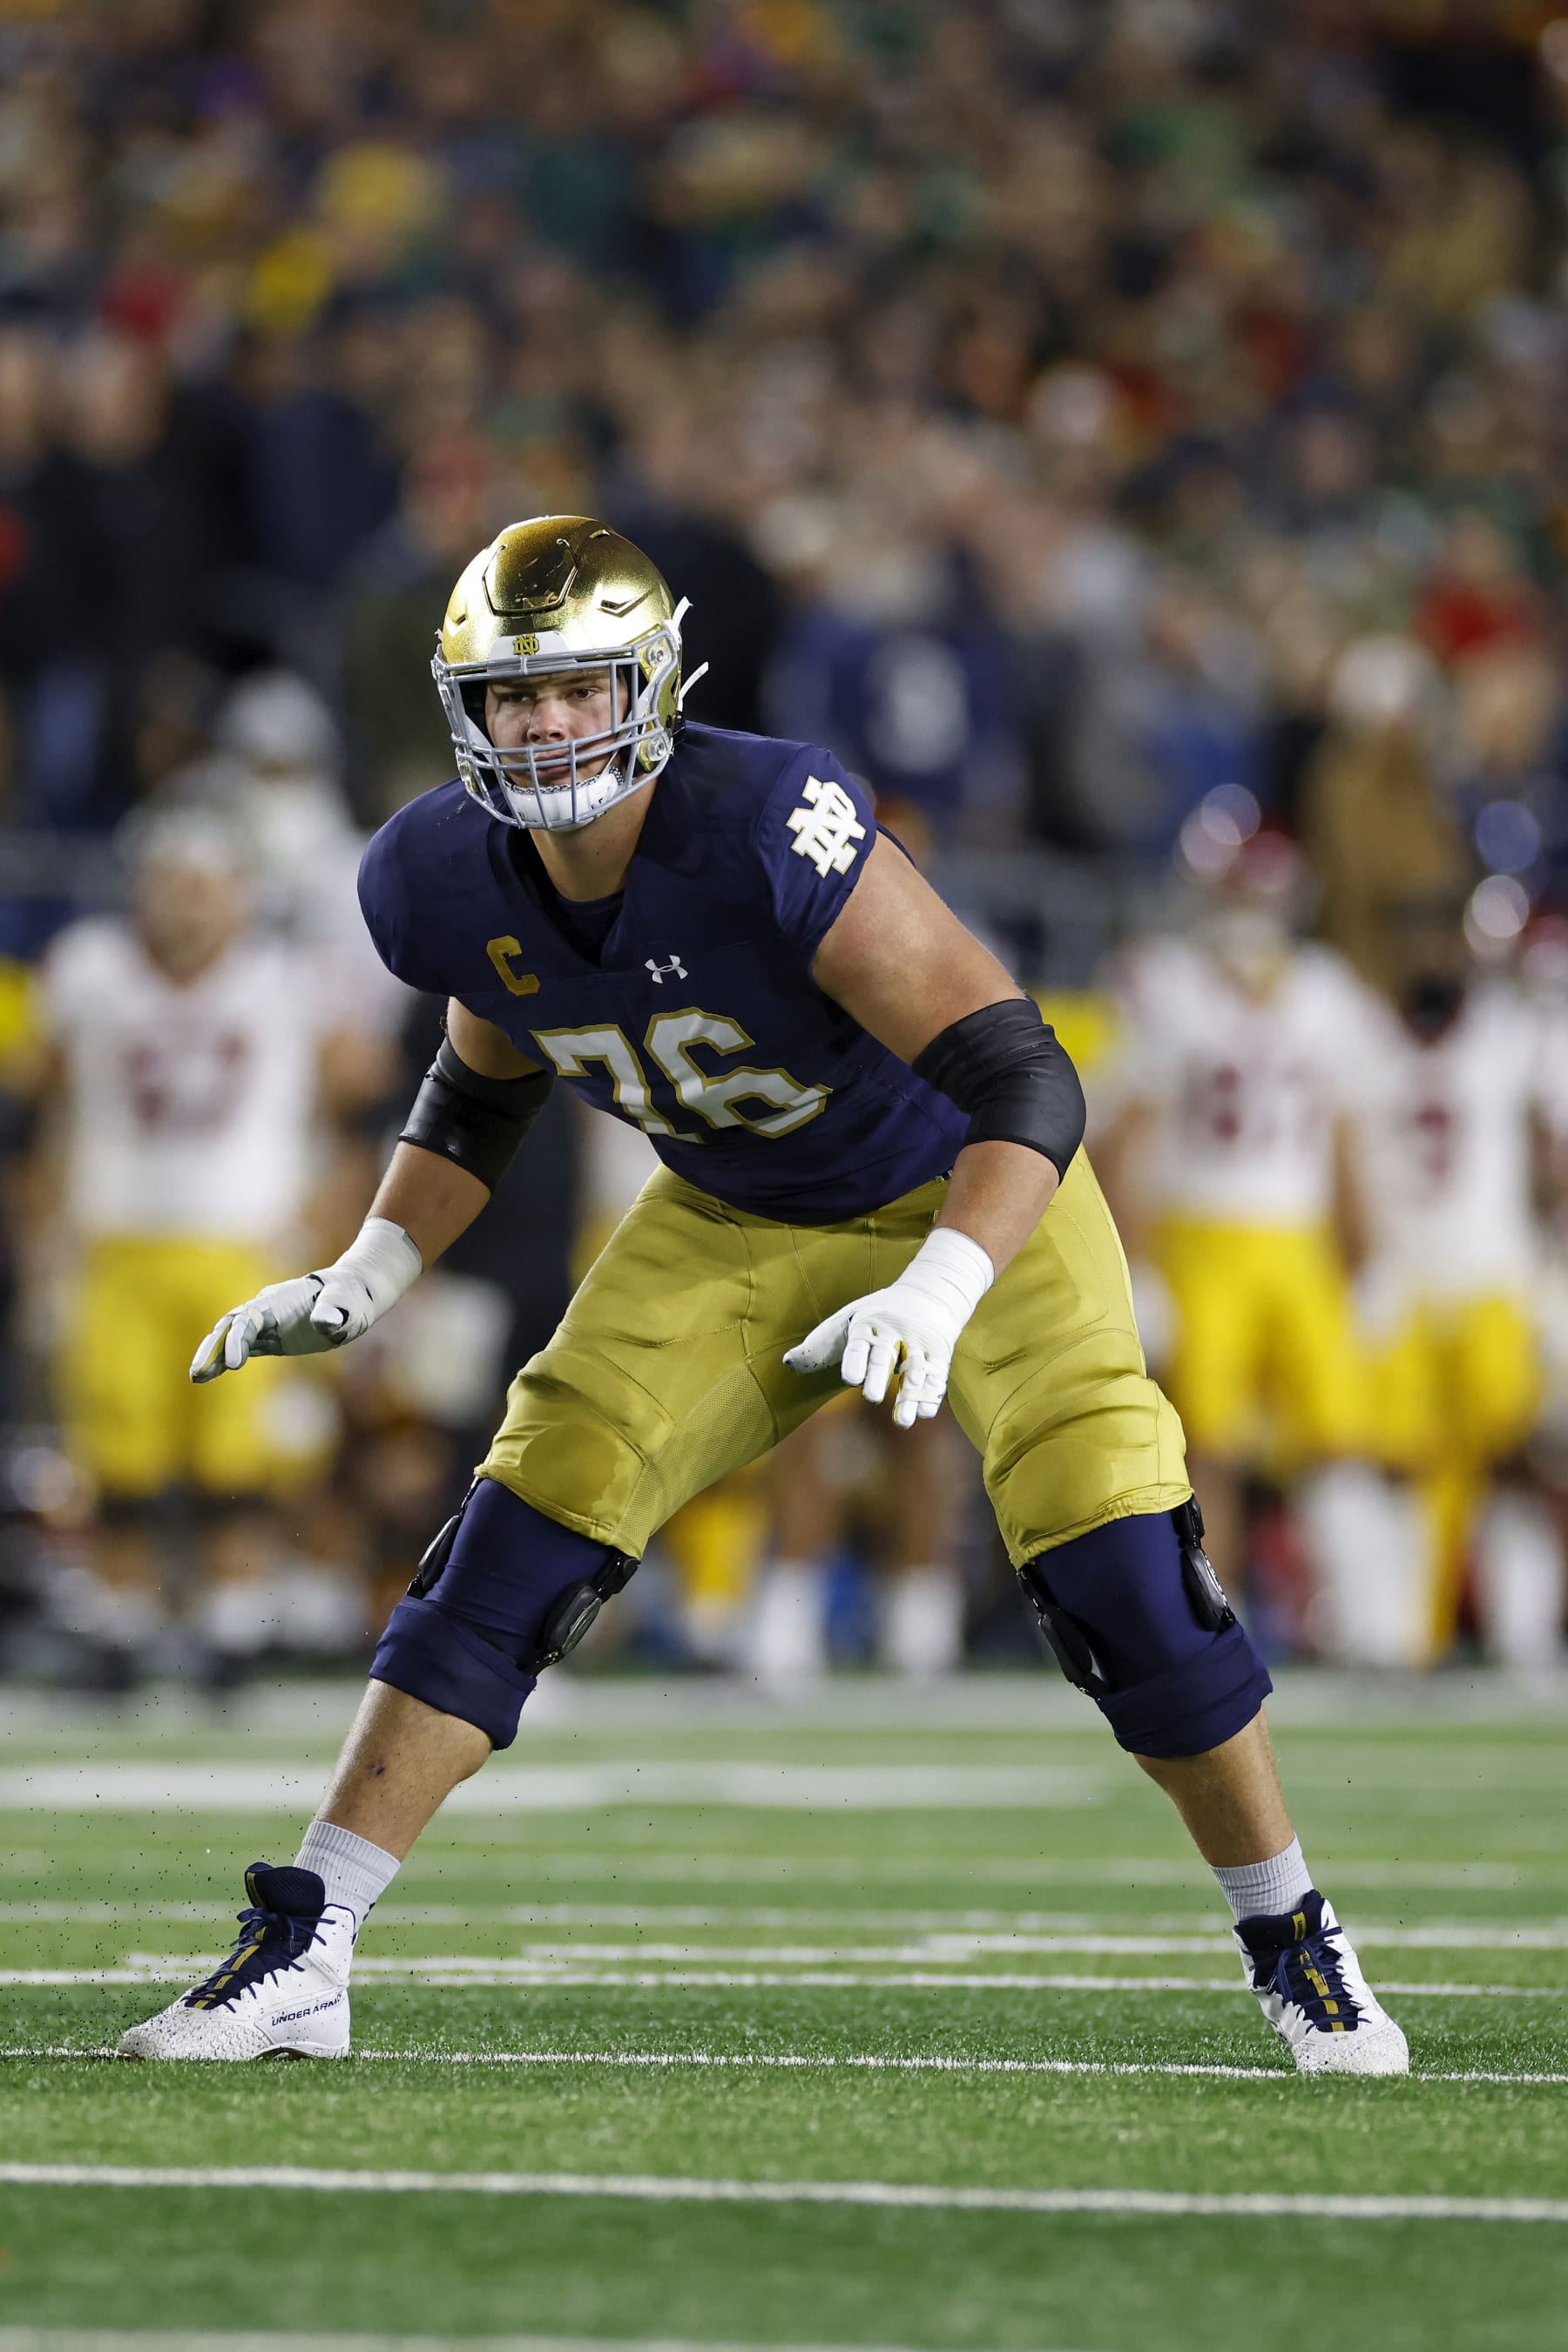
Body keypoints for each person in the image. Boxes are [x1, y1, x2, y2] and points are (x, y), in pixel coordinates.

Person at [118, 515, 1407, 2074]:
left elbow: (1023, 1075)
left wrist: (943, 1284)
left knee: (1119, 1559)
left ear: (651, 689)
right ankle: (308, 1939)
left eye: (576, 691)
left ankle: (1293, 1935)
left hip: (969, 1188)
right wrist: (370, 1266)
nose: (541, 726)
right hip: (732, 1209)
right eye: (512, 698)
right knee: (524, 1520)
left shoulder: (763, 821)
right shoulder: (439, 872)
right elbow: (488, 1070)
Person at [30, 811, 383, 1678]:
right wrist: (42, 1232)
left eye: (205, 889)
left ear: (239, 898)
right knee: (120, 1446)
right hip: (117, 1242)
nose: (189, 910)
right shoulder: (90, 972)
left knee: (240, 1448)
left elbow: (360, 1093)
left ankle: (232, 1622)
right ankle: (120, 1622)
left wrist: (341, 1240)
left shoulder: (287, 978)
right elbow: (44, 1105)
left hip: (246, 1246)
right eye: (173, 887)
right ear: (141, 893)